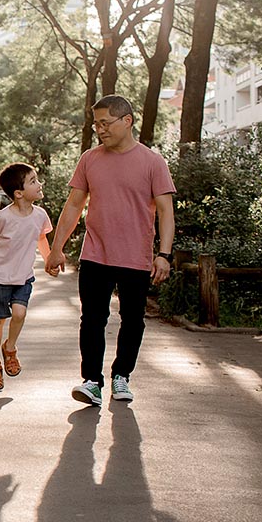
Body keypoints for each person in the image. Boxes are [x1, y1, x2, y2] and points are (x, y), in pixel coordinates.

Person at [45, 94, 176, 406]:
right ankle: (92, 380)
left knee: (133, 319)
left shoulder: (152, 162)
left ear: (126, 121)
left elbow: (166, 211)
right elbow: (74, 205)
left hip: (136, 257)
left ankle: (122, 376)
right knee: (92, 318)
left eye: (105, 123)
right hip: (95, 254)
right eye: (96, 124)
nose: (99, 130)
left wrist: (165, 254)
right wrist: (56, 248)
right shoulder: (90, 159)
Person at [0, 162, 55, 392]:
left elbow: (41, 238)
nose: (39, 184)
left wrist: (49, 260)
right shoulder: (3, 218)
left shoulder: (40, 215)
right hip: (0, 278)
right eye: (33, 181)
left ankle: (10, 347)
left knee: (19, 313)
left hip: (23, 277)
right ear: (19, 193)